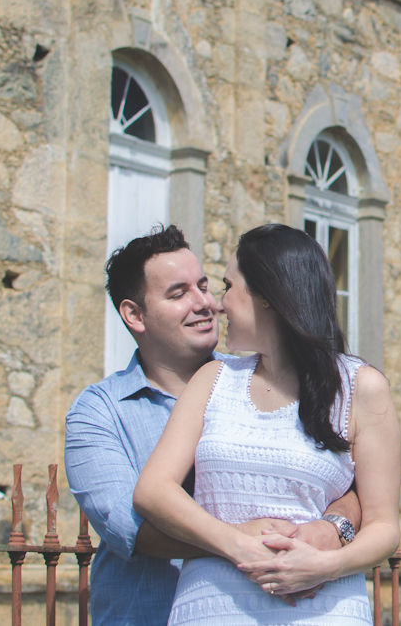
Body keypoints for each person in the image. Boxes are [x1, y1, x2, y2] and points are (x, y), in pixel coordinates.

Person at [65, 225, 361, 626]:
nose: (206, 303)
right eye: (178, 293)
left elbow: (351, 483)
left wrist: (333, 528)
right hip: (145, 615)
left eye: (205, 285)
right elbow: (132, 529)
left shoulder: (276, 379)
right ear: (135, 314)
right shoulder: (100, 413)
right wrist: (244, 543)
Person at [133, 224, 401, 625]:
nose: (218, 304)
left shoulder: (361, 388)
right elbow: (153, 491)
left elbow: (384, 526)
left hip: (322, 611)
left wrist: (326, 566)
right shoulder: (213, 380)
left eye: (227, 286)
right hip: (211, 610)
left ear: (266, 297)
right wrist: (237, 543)